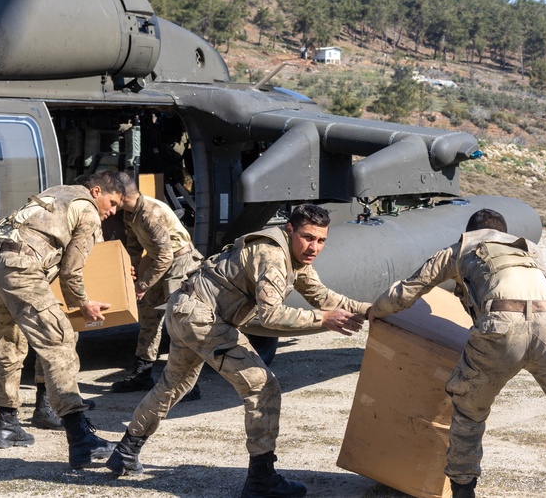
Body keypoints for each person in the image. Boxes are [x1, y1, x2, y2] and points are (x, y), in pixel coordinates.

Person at [370, 208, 546, 498]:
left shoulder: (460, 249)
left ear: (470, 231)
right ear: (505, 232)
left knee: (469, 411)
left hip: (499, 328)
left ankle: (463, 490)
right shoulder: (529, 250)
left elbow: (407, 291)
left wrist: (374, 311)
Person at [106, 203, 370, 498]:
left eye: (321, 240)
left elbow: (321, 295)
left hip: (184, 310)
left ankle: (125, 451)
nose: (314, 247)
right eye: (308, 237)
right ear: (290, 230)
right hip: (202, 318)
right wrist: (323, 320)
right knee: (263, 386)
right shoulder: (272, 256)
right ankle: (262, 480)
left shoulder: (293, 257)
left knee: (173, 385)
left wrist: (368, 310)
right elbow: (271, 316)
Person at [0, 170, 125, 468]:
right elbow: (73, 270)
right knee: (60, 341)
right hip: (22, 268)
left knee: (10, 342)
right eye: (112, 203)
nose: (112, 212)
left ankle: (7, 425)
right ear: (96, 191)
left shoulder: (57, 192)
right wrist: (83, 304)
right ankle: (80, 437)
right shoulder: (87, 208)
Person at [110, 172, 204, 395]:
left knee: (178, 322)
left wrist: (142, 285)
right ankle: (143, 373)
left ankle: (188, 384)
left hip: (180, 262)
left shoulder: (151, 213)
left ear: (122, 196)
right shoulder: (130, 214)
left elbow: (165, 256)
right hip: (158, 262)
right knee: (149, 316)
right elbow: (133, 247)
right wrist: (129, 274)